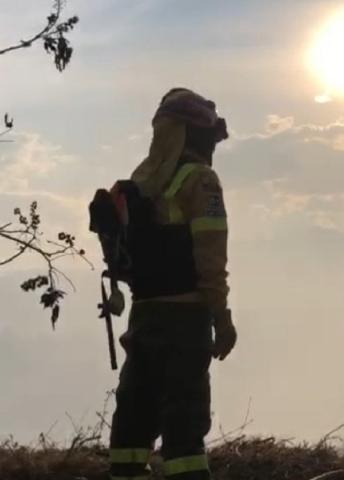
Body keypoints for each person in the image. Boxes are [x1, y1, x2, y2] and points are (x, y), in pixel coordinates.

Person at [107, 88, 237, 480]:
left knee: (134, 414)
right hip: (185, 320)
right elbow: (210, 258)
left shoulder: (141, 183)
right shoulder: (199, 180)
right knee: (184, 420)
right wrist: (222, 317)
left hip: (144, 316)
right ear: (194, 134)